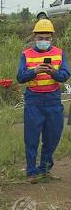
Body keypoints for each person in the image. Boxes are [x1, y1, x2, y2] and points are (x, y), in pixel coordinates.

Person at [17, 19, 70, 184]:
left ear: (52, 37)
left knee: (52, 137)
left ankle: (45, 169)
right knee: (31, 138)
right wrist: (34, 71)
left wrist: (54, 72)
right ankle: (32, 172)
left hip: (53, 99)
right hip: (34, 100)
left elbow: (65, 75)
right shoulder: (26, 54)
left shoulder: (60, 53)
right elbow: (20, 77)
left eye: (47, 38)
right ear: (34, 37)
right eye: (41, 38)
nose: (44, 41)